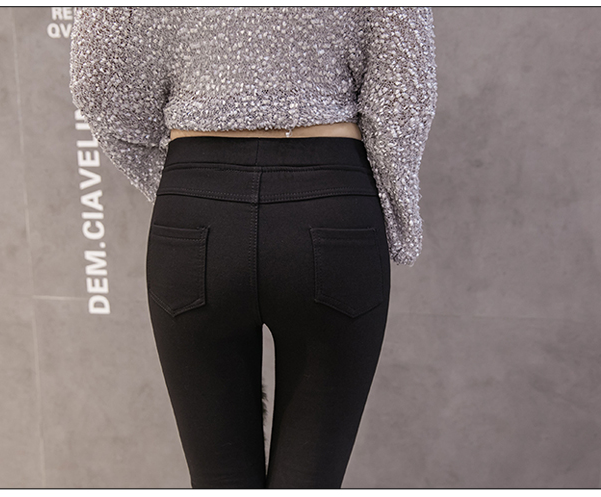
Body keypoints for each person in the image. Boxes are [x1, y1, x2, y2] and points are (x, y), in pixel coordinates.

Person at [69, 6, 437, 489]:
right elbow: (405, 91)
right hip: (331, 209)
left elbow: (97, 82)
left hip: (197, 212)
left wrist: (186, 188)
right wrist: (394, 212)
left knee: (219, 481)